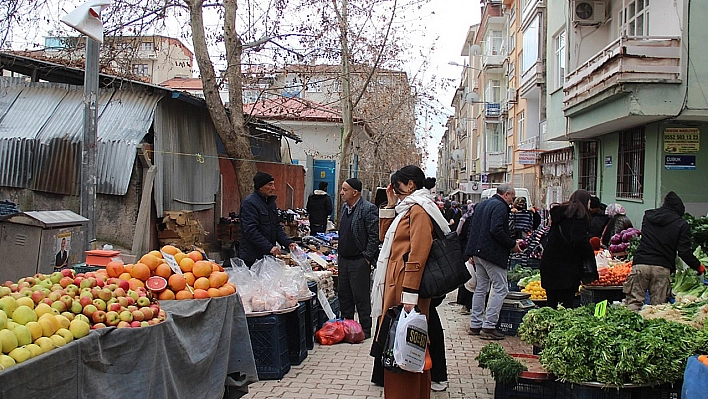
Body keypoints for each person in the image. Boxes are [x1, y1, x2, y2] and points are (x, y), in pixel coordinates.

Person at [370, 165, 447, 399]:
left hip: (405, 286)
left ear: (411, 185)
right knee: (400, 340)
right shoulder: (407, 208)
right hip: (396, 281)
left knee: (408, 341)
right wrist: (391, 204)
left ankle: (409, 392)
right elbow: (386, 238)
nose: (395, 190)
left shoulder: (420, 210)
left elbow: (419, 253)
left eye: (397, 186)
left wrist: (410, 294)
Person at [625, 192, 705, 310]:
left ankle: (627, 326)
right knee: (657, 309)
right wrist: (698, 266)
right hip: (661, 268)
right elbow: (684, 252)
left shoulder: (648, 216)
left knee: (633, 304)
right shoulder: (682, 224)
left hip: (640, 265)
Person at [465, 184, 521, 340]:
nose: (512, 201)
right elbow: (496, 230)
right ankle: (489, 326)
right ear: (506, 194)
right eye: (512, 197)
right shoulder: (500, 207)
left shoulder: (482, 204)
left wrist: (471, 251)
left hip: (478, 252)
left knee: (481, 288)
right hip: (492, 254)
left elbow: (473, 228)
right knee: (500, 287)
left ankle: (475, 324)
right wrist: (512, 244)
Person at [338, 178, 379, 339]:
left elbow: (374, 236)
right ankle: (348, 328)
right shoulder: (344, 208)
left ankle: (365, 329)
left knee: (360, 296)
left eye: (345, 189)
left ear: (355, 192)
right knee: (344, 295)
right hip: (344, 259)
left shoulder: (368, 209)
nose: (342, 192)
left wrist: (367, 257)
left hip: (359, 261)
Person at [540, 189, 595, 309]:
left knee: (551, 304)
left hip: (549, 263)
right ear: (585, 201)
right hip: (567, 266)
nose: (590, 206)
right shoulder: (580, 216)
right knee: (566, 304)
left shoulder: (559, 214)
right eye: (589, 202)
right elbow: (579, 241)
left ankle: (550, 326)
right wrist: (590, 253)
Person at [238, 171, 297, 267]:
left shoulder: (270, 203)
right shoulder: (249, 203)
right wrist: (269, 247)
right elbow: (250, 231)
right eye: (270, 185)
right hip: (253, 257)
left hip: (268, 256)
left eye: (273, 185)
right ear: (260, 187)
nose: (273, 188)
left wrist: (288, 242)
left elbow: (277, 227)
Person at [455, 202, 476, 314]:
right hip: (473, 251)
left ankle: (465, 305)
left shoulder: (465, 219)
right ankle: (473, 305)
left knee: (467, 278)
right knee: (476, 280)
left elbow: (458, 233)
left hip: (465, 250)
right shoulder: (476, 221)